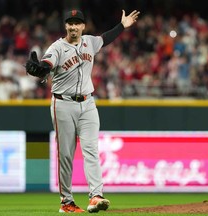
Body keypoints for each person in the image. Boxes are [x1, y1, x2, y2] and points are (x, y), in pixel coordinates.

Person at [25, 8, 140, 213]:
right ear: (66, 26)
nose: (73, 26)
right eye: (70, 23)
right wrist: (38, 68)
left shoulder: (89, 42)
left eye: (77, 23)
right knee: (66, 155)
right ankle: (66, 202)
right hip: (63, 104)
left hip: (88, 104)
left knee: (91, 151)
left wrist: (122, 26)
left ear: (83, 26)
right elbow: (45, 65)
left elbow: (106, 38)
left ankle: (96, 196)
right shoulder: (57, 47)